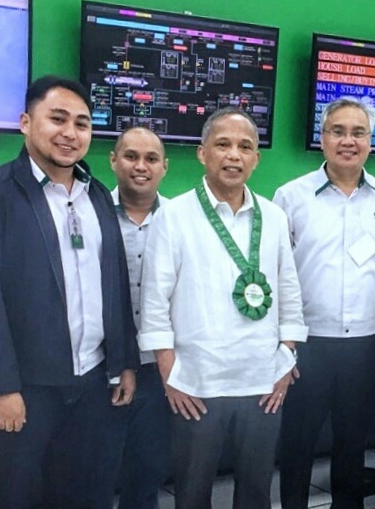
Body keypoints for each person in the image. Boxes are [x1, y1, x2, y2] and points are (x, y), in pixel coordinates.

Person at [0, 75, 139, 509]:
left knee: (84, 495)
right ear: (25, 122)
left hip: (94, 384)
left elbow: (114, 282)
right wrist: (0, 387)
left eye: (81, 123)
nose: (70, 133)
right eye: (57, 119)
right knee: (11, 496)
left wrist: (124, 361)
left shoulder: (96, 194)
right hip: (25, 389)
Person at [139, 108, 307, 509]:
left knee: (255, 493)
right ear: (202, 153)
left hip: (262, 382)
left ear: (256, 159)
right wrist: (170, 373)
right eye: (223, 145)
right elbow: (155, 298)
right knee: (192, 492)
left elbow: (288, 289)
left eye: (245, 147)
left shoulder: (275, 216)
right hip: (197, 383)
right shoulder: (174, 216)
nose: (234, 155)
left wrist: (286, 357)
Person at [274, 97, 375, 508]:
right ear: (323, 137)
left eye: (358, 132)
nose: (348, 141)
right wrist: (281, 344)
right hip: (306, 344)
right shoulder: (291, 196)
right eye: (338, 131)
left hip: (365, 343)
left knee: (353, 446)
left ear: (370, 141)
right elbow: (276, 275)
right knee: (296, 444)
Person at [109, 126, 171, 509]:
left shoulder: (181, 220)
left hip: (157, 369)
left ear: (164, 167)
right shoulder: (90, 212)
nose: (141, 166)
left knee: (146, 476)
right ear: (114, 161)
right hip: (102, 369)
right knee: (92, 475)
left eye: (151, 159)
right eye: (131, 156)